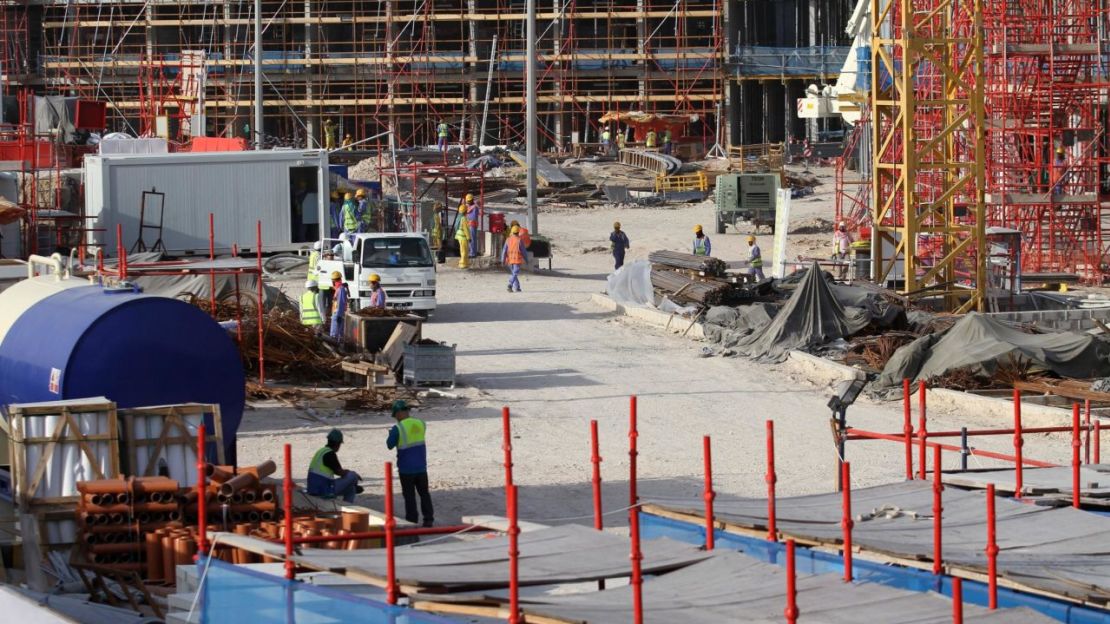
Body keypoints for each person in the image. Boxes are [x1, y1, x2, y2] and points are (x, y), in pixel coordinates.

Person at [386, 400, 434, 527]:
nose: (396, 418)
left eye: (395, 415)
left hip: (406, 469)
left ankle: (412, 521)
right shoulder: (421, 423)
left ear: (400, 413)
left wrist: (391, 434)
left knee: (409, 496)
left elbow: (389, 445)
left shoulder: (398, 428)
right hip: (421, 467)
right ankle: (428, 520)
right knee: (424, 493)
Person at [307, 429, 363, 502]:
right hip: (324, 490)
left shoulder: (321, 451)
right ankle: (354, 486)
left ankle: (347, 506)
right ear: (338, 444)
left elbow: (337, 471)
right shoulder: (330, 454)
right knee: (352, 475)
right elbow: (340, 472)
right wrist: (353, 476)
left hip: (313, 488)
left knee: (351, 489)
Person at [502, 224, 528, 292]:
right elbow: (524, 251)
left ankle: (517, 287)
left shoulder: (508, 240)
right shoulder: (519, 240)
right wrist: (526, 259)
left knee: (514, 273)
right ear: (518, 232)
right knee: (515, 273)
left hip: (509, 260)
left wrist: (503, 260)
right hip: (517, 260)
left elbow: (504, 251)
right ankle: (510, 285)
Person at [329, 270, 350, 340]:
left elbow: (341, 303)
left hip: (337, 314)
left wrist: (339, 315)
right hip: (337, 313)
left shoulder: (340, 289)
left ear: (334, 280)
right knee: (337, 333)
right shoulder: (339, 288)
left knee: (335, 334)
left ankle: (336, 346)